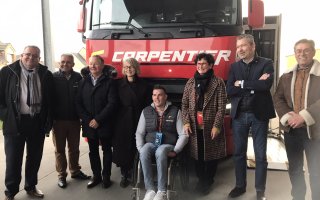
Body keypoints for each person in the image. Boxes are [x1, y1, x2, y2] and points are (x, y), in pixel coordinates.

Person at [0, 45, 54, 200]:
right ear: (21, 55)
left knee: (34, 157)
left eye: (35, 56)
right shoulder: (7, 72)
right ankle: (11, 191)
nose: (31, 58)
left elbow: (50, 100)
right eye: (28, 55)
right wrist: (7, 115)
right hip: (15, 122)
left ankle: (31, 186)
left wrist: (48, 120)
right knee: (13, 159)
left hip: (37, 121)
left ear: (39, 58)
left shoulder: (45, 74)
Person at [226, 34, 275, 200]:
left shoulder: (266, 63)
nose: (240, 49)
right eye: (238, 47)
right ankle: (240, 186)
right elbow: (230, 90)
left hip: (259, 115)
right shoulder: (234, 67)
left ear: (253, 46)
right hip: (239, 115)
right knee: (239, 153)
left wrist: (242, 84)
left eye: (243, 46)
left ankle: (260, 190)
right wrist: (254, 86)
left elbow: (265, 85)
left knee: (260, 155)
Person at [274, 39, 320, 200]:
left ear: (313, 52)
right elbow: (278, 98)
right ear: (295, 53)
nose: (302, 54)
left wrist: (304, 117)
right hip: (292, 130)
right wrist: (288, 117)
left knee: (316, 170)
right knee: (295, 168)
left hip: (315, 131)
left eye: (306, 50)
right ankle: (298, 197)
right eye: (298, 51)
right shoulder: (286, 76)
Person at [181, 52, 227, 195]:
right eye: (198, 63)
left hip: (211, 126)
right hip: (195, 126)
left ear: (211, 65)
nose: (200, 66)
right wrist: (186, 122)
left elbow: (221, 107)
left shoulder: (218, 82)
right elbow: (184, 105)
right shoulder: (190, 82)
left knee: (211, 156)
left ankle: (208, 180)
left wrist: (217, 125)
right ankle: (201, 180)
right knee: (198, 155)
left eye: (204, 64)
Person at [136, 85, 189, 200]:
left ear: (165, 97)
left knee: (160, 151)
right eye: (154, 95)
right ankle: (150, 190)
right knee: (144, 150)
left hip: (167, 145)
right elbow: (139, 132)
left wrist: (176, 150)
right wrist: (140, 148)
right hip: (150, 143)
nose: (157, 98)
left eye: (160, 95)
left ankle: (161, 191)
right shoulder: (146, 111)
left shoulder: (175, 111)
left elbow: (183, 134)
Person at [75, 55, 118, 189]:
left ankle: (106, 177)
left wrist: (98, 119)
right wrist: (89, 120)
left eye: (96, 64)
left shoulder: (109, 82)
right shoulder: (83, 82)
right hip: (89, 124)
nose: (93, 66)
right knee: (92, 151)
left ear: (102, 65)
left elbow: (112, 103)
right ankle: (96, 177)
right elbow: (78, 103)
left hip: (104, 122)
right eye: (91, 64)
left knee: (106, 150)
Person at [52, 54, 90, 189]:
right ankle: (61, 175)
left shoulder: (78, 78)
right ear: (59, 63)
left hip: (74, 120)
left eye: (68, 62)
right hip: (58, 121)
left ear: (73, 64)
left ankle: (75, 171)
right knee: (59, 150)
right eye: (63, 62)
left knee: (74, 149)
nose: (65, 64)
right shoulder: (53, 78)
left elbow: (82, 98)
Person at [112, 58, 152, 188]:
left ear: (136, 68)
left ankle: (138, 175)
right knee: (124, 148)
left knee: (138, 147)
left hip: (139, 119)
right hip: (122, 121)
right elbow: (113, 104)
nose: (129, 69)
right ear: (123, 69)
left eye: (131, 66)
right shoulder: (117, 84)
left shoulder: (145, 85)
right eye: (126, 67)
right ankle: (125, 174)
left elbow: (148, 106)